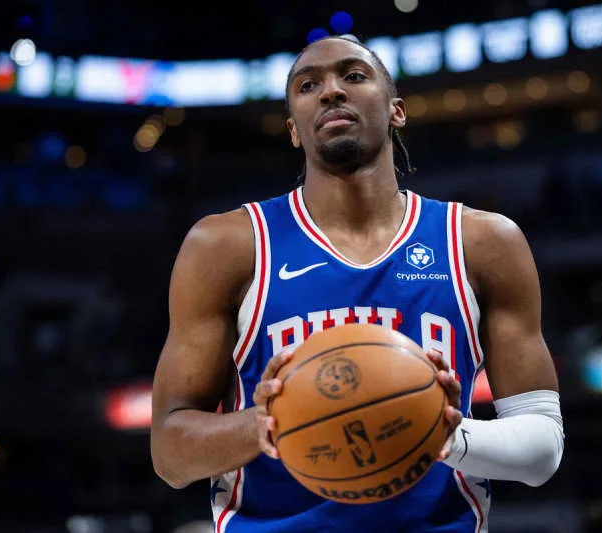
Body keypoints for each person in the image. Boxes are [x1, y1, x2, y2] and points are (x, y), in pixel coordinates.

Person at [150, 35, 564, 533]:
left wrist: (445, 434)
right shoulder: (226, 245)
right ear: (294, 131)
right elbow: (170, 454)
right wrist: (268, 422)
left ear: (397, 112)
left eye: (353, 75)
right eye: (308, 85)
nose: (330, 92)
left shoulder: (481, 241)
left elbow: (543, 446)